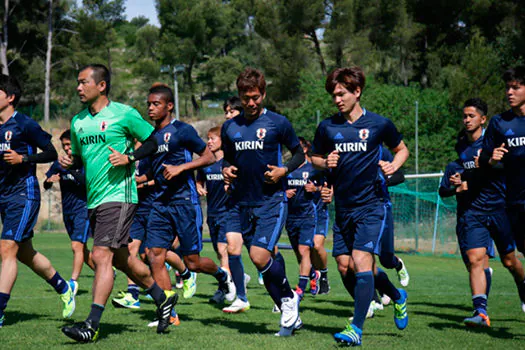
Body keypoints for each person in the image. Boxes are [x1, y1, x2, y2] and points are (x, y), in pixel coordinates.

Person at [60, 64, 178, 342]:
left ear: (101, 86)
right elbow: (79, 158)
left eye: (83, 82)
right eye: (77, 83)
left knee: (101, 256)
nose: (78, 87)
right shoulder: (78, 122)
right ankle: (163, 299)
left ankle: (91, 324)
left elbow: (153, 141)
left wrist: (131, 158)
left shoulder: (123, 114)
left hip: (120, 196)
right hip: (95, 199)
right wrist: (70, 161)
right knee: (124, 260)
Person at [311, 67, 409, 346]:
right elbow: (314, 157)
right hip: (343, 209)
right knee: (344, 266)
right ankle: (397, 294)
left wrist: (394, 165)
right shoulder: (328, 127)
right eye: (333, 95)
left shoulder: (379, 124)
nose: (337, 99)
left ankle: (356, 329)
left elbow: (402, 149)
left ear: (357, 92)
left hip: (372, 205)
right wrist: (324, 162)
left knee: (362, 260)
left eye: (342, 93)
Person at [221, 67, 305, 336]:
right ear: (239, 96)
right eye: (246, 98)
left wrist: (284, 170)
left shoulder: (277, 123)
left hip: (271, 200)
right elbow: (228, 159)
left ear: (264, 94)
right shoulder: (229, 127)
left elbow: (299, 154)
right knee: (263, 258)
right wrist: (226, 168)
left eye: (256, 97)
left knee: (259, 256)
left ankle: (289, 301)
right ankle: (288, 304)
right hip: (241, 202)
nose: (251, 103)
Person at [143, 83, 236, 314]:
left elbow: (208, 157)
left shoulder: (182, 130)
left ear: (169, 106)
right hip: (160, 203)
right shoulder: (151, 137)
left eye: (156, 104)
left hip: (184, 201)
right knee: (154, 255)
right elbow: (148, 172)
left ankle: (221, 274)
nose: (151, 109)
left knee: (192, 262)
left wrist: (181, 168)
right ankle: (168, 312)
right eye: (148, 104)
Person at [0, 74, 76, 329]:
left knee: (7, 248)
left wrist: (23, 160)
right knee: (25, 253)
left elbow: (51, 152)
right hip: (3, 195)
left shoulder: (24, 124)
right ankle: (63, 287)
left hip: (24, 193)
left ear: (10, 97)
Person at [44, 129, 95, 295]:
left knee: (76, 246)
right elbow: (47, 182)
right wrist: (49, 181)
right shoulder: (60, 163)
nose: (66, 148)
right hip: (68, 212)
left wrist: (71, 169)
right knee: (82, 250)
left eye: (69, 145)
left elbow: (87, 183)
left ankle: (73, 283)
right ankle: (105, 272)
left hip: (83, 209)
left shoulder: (85, 162)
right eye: (64, 145)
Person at [284, 137, 326, 298]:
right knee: (298, 253)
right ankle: (312, 274)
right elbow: (277, 189)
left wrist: (315, 188)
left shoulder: (314, 169)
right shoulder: (286, 170)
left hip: (308, 214)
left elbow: (326, 187)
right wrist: (284, 193)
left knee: (304, 250)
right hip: (291, 216)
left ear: (305, 149)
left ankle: (301, 287)